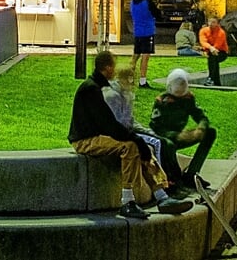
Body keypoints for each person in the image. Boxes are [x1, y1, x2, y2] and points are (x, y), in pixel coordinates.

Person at [67, 51, 191, 219]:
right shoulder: (91, 89)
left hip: (98, 135)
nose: (116, 70)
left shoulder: (100, 86)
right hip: (85, 140)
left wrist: (138, 139)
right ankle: (127, 202)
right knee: (131, 147)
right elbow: (108, 123)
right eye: (114, 65)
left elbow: (114, 123)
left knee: (141, 146)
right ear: (108, 67)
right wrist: (134, 138)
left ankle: (162, 196)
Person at [150, 68, 217, 192]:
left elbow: (201, 116)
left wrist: (201, 129)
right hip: (166, 138)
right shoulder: (162, 101)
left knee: (210, 132)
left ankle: (192, 174)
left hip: (181, 135)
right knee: (169, 145)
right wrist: (176, 136)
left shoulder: (188, 98)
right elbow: (156, 128)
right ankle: (175, 180)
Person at [129, 0, 158, 88]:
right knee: (145, 57)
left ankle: (129, 78)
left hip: (137, 32)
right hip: (148, 31)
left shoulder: (133, 1)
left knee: (135, 56)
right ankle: (142, 81)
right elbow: (157, 14)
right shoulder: (148, 2)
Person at [198, 16, 230, 86]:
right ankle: (216, 82)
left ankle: (211, 78)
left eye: (213, 22)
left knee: (212, 57)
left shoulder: (221, 32)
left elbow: (218, 45)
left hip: (222, 52)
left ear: (217, 24)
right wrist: (210, 48)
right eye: (209, 21)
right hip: (211, 51)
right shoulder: (203, 30)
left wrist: (211, 50)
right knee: (213, 59)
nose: (210, 24)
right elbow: (203, 41)